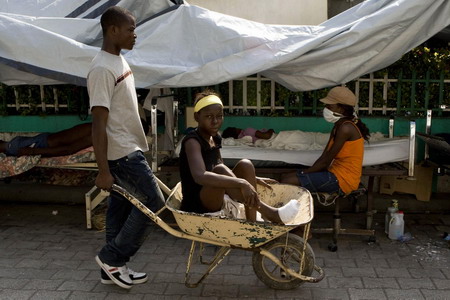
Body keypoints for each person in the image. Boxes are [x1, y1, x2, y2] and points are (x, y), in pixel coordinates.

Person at [87, 6, 165, 290]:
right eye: (131, 29)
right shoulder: (101, 68)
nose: (135, 34)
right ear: (113, 30)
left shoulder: (118, 62)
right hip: (122, 153)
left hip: (128, 148)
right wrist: (103, 170)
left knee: (119, 208)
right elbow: (98, 122)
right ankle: (111, 257)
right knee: (153, 203)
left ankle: (113, 267)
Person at [179, 90, 301, 224]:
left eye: (219, 116)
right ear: (197, 117)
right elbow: (200, 175)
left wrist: (252, 179)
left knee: (246, 165)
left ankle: (252, 223)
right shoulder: (192, 141)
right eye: (208, 116)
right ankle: (271, 213)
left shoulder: (215, 138)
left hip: (215, 194)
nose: (215, 121)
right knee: (221, 170)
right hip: (197, 203)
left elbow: (220, 167)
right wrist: (242, 183)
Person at [280, 86, 370, 197]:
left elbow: (326, 161)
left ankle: (288, 213)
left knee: (289, 180)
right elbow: (324, 156)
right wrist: (307, 172)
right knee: (286, 177)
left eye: (329, 106)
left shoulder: (345, 128)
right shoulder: (339, 125)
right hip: (335, 173)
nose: (326, 109)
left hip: (343, 181)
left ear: (341, 109)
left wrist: (304, 173)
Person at [0, 123, 92, 157]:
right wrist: (33, 151)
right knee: (89, 130)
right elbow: (68, 149)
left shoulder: (11, 147)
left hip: (46, 141)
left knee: (87, 130)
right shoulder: (12, 149)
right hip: (47, 142)